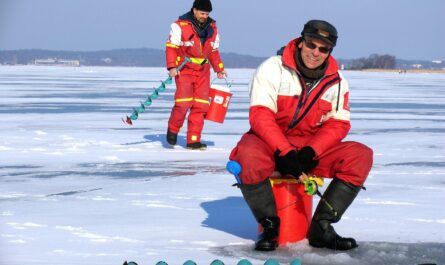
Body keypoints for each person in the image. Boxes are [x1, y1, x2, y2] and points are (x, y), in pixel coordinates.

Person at [229, 20, 373, 251]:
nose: (315, 52)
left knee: (360, 156)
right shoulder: (272, 68)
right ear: (300, 42)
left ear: (329, 52)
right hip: (267, 142)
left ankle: (321, 227)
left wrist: (310, 151)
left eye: (323, 49)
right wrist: (284, 152)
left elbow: (338, 124)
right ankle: (269, 225)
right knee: (247, 156)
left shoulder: (337, 82)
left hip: (308, 147)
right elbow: (261, 116)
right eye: (311, 44)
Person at [165, 0, 227, 150]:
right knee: (183, 103)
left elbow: (213, 51)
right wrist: (172, 66)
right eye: (202, 13)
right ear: (194, 10)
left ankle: (193, 140)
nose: (204, 16)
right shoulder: (179, 25)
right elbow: (171, 48)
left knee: (201, 106)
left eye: (207, 14)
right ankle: (173, 129)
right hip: (184, 68)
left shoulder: (212, 28)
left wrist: (219, 68)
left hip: (203, 71)